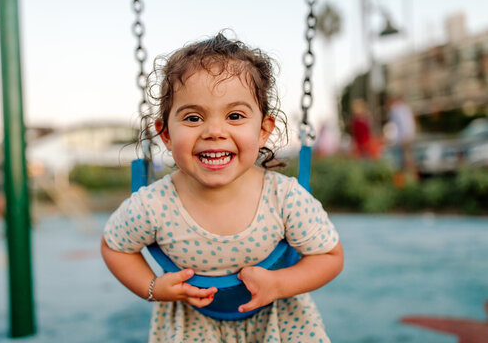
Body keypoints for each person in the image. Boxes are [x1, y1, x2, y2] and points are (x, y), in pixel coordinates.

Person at [101, 33, 344, 343]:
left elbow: (329, 256)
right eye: (192, 117)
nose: (215, 131)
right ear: (165, 134)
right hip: (192, 326)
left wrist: (280, 283)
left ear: (263, 130)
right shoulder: (154, 205)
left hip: (279, 320)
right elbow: (115, 246)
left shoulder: (284, 198)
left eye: (235, 116)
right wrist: (152, 287)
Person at [387, 96, 417, 178]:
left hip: (403, 138)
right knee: (408, 159)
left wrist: (396, 139)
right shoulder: (405, 108)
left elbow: (399, 126)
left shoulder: (396, 110)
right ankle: (410, 177)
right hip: (408, 136)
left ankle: (408, 178)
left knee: (405, 160)